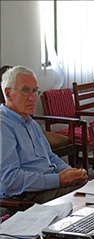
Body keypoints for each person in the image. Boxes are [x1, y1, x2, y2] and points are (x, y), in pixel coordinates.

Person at [0, 66, 87, 204]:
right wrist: (58, 180)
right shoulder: (3, 126)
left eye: (35, 91)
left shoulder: (30, 122)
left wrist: (71, 172)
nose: (33, 98)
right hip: (27, 196)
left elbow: (50, 157)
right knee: (88, 196)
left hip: (48, 185)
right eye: (25, 91)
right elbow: (9, 181)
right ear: (8, 93)